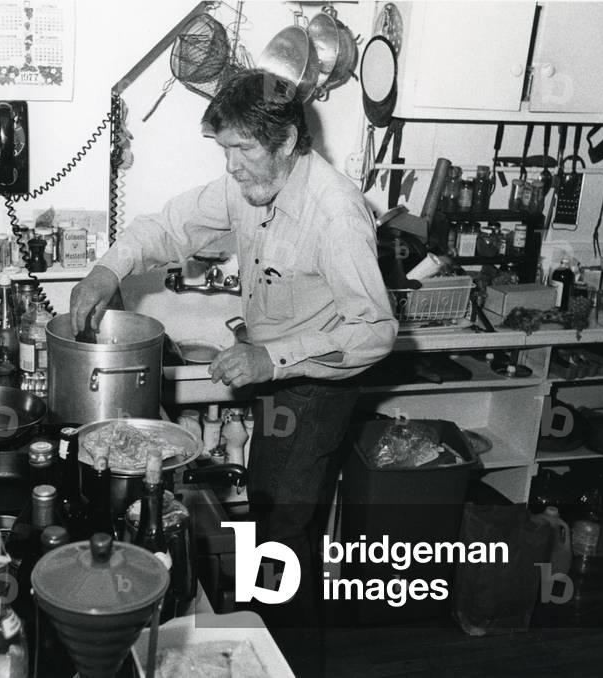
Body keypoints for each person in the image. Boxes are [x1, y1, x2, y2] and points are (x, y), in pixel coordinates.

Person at [69, 69, 398, 675]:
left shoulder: (335, 214)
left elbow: (375, 330)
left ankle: (286, 662)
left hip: (317, 388)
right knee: (270, 519)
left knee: (283, 538)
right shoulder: (248, 187)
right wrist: (107, 270)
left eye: (244, 149)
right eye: (225, 149)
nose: (234, 165)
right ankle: (259, 650)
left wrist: (270, 356)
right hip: (279, 382)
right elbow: (169, 225)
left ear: (289, 140)